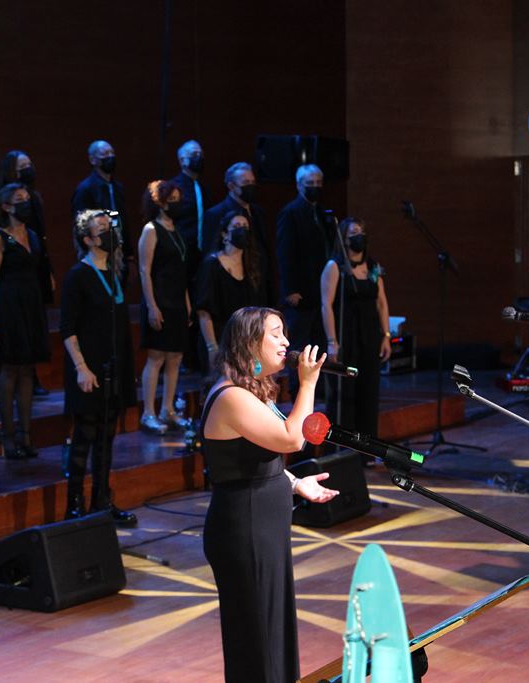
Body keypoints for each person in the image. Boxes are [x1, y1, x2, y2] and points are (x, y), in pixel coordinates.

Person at [199, 306, 338, 682]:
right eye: (275, 333)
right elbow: (293, 438)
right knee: (258, 638)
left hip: (260, 526)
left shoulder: (251, 392)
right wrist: (308, 383)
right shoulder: (231, 397)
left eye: (284, 333)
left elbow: (254, 459)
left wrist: (293, 482)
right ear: (249, 343)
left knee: (270, 631)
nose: (286, 342)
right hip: (244, 529)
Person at [59, 210, 138, 526]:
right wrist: (81, 367)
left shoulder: (115, 272)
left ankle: (102, 501)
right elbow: (67, 328)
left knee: (106, 438)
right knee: (84, 437)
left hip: (112, 370)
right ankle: (74, 505)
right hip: (89, 370)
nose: (109, 233)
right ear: (88, 239)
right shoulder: (78, 275)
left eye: (110, 227)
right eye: (102, 228)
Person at [0, 184, 51, 459]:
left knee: (27, 369)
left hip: (30, 306)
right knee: (10, 368)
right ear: (6, 206)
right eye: (19, 200)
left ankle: (25, 433)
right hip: (8, 308)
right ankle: (8, 434)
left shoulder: (32, 235)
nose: (26, 204)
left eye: (27, 199)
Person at [319, 217, 391, 435]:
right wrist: (332, 341)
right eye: (353, 233)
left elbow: (382, 302)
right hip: (346, 337)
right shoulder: (335, 267)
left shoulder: (373, 267)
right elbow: (326, 305)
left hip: (370, 337)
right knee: (345, 392)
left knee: (368, 391)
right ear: (344, 239)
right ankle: (343, 443)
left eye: (361, 232)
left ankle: (367, 444)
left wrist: (386, 335)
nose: (359, 236)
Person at [0, 150, 55, 396]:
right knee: (12, 362)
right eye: (23, 165)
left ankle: (32, 383)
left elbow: (42, 239)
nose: (29, 169)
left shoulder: (32, 220)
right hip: (11, 295)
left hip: (32, 284)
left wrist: (48, 271)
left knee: (30, 353)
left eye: (30, 163)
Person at [137, 180, 191, 435]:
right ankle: (148, 412)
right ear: (160, 202)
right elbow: (144, 270)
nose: (177, 204)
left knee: (175, 357)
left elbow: (181, 271)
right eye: (173, 200)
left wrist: (187, 303)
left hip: (177, 301)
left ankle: (167, 409)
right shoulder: (151, 229)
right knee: (157, 357)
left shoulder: (176, 230)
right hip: (160, 300)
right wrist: (151, 306)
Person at [276, 164, 334, 395]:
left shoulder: (323, 213)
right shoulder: (290, 213)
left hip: (321, 291)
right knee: (300, 345)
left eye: (319, 183)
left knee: (319, 343)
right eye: (311, 184)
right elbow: (285, 253)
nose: (315, 187)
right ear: (299, 185)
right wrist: (290, 289)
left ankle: (319, 391)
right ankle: (297, 391)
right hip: (301, 293)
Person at [196, 210, 268, 376]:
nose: (241, 230)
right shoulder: (212, 264)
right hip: (220, 339)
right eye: (236, 226)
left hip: (246, 340)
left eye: (245, 226)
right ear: (225, 234)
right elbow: (204, 311)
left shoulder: (253, 264)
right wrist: (212, 347)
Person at [168, 140, 212, 372]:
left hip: (202, 254)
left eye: (201, 153)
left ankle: (197, 356)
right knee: (183, 306)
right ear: (181, 159)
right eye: (194, 154)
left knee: (201, 303)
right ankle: (182, 358)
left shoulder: (203, 187)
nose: (199, 157)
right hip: (182, 254)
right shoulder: (175, 187)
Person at [71, 140, 130, 256]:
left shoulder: (117, 187)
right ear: (93, 160)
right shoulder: (85, 189)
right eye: (105, 154)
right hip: (96, 250)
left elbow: (122, 218)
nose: (110, 156)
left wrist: (129, 252)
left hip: (119, 249)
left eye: (112, 153)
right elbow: (80, 225)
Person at [204, 161, 269, 258]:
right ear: (231, 186)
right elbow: (211, 252)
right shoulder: (215, 214)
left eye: (253, 182)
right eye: (246, 182)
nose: (251, 186)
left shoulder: (258, 212)